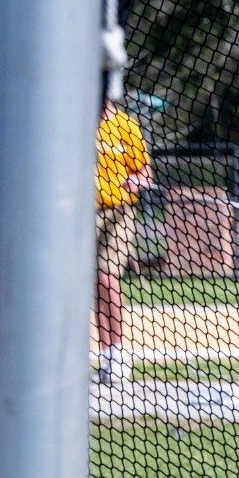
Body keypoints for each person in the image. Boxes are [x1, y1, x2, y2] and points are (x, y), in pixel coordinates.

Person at [94, 96, 152, 386]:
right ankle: (107, 357)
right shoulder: (80, 122)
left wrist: (137, 180)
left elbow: (144, 170)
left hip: (119, 212)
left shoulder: (126, 125)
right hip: (84, 214)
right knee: (94, 284)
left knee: (107, 278)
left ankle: (119, 352)